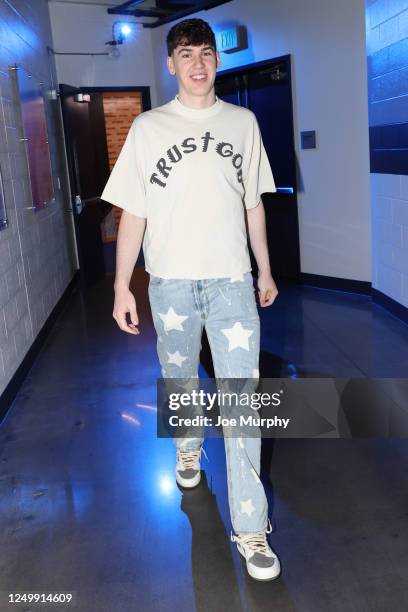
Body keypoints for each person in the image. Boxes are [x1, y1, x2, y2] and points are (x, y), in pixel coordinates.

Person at [101, 17, 281, 582]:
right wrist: (120, 284)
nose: (198, 63)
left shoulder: (243, 123)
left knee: (243, 406)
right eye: (186, 54)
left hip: (231, 282)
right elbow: (134, 211)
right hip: (171, 283)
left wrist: (265, 270)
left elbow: (253, 204)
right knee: (180, 383)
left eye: (206, 53)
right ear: (170, 64)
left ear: (216, 62)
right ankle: (186, 447)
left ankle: (251, 529)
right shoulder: (149, 129)